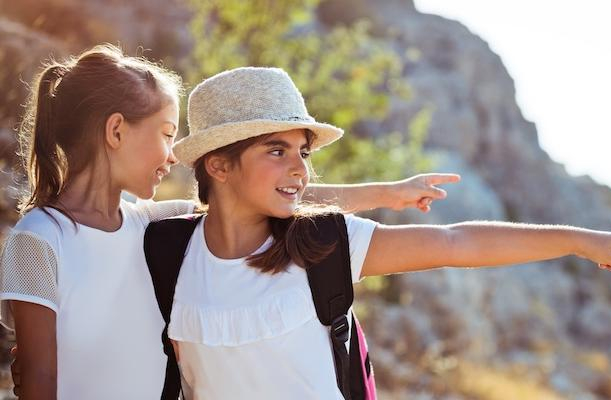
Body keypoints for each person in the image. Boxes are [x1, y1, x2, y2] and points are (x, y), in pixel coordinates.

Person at [162, 66, 611, 399]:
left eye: (304, 152)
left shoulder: (323, 243)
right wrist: (385, 189)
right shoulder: (163, 244)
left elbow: (457, 242)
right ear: (219, 166)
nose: (301, 169)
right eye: (277, 150)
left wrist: (577, 241)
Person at [0, 44, 459, 400]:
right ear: (116, 131)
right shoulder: (40, 239)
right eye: (165, 135)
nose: (171, 156)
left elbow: (263, 196)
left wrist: (388, 193)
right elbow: (38, 378)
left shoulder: (148, 226)